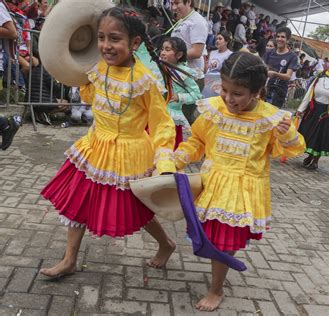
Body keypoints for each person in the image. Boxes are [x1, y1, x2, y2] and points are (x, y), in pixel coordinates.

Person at [40, 6, 178, 277]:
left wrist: (164, 161)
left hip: (129, 153)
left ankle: (166, 243)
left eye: (114, 38)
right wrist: (78, 77)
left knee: (139, 209)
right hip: (94, 147)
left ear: (135, 43)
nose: (105, 45)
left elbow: (162, 124)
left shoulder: (145, 82)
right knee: (78, 201)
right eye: (101, 37)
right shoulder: (98, 68)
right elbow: (93, 98)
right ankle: (69, 260)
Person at [173, 52, 305, 311]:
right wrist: (174, 160)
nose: (228, 98)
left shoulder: (271, 119)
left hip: (242, 192)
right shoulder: (214, 110)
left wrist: (287, 133)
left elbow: (292, 150)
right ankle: (218, 277)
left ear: (257, 91)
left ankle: (216, 289)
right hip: (213, 186)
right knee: (215, 242)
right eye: (224, 90)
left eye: (237, 94)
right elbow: (197, 141)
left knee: (223, 243)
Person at [296, 54, 329, 170]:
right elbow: (309, 94)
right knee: (310, 133)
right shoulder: (319, 77)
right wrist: (301, 109)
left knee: (321, 136)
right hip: (314, 110)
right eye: (328, 61)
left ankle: (315, 160)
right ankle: (310, 155)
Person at [159, 37, 201, 148]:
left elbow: (197, 95)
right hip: (156, 113)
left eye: (167, 50)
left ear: (179, 55)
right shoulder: (157, 68)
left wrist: (180, 97)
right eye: (162, 49)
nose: (163, 53)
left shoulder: (183, 73)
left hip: (172, 118)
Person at [171, 0, 208, 124]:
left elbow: (197, 51)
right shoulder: (181, 21)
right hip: (177, 77)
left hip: (190, 80)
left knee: (183, 122)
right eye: (172, 3)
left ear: (189, 2)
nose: (173, 7)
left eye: (177, 3)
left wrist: (172, 57)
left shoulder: (197, 21)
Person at [263, 27, 298, 108]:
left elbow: (288, 76)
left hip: (279, 92)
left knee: (272, 117)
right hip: (264, 89)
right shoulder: (269, 53)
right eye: (278, 36)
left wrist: (275, 74)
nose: (279, 39)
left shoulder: (292, 56)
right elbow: (263, 69)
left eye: (282, 37)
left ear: (288, 40)